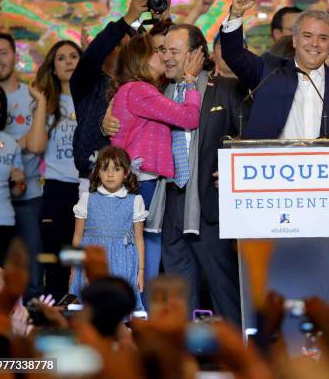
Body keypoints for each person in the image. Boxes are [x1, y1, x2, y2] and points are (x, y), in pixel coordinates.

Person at [104, 23, 247, 325]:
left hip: (212, 203)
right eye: (163, 50)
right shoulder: (157, 92)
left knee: (223, 285)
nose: (167, 57)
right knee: (179, 289)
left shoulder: (226, 89)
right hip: (168, 201)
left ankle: (238, 354)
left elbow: (248, 137)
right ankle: (182, 353)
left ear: (197, 54)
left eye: (174, 51)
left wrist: (237, 169)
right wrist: (108, 118)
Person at [109, 33, 201, 304]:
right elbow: (189, 117)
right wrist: (191, 81)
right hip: (139, 182)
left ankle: (139, 316)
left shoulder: (138, 90)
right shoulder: (139, 90)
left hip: (142, 182)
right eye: (158, 51)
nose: (164, 56)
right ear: (141, 59)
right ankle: (136, 317)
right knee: (136, 255)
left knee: (142, 253)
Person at [220, 0, 329, 139]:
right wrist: (236, 14)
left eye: (323, 38)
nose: (314, 44)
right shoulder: (269, 71)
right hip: (269, 162)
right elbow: (233, 54)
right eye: (307, 36)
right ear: (294, 40)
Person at [22, 40, 82, 300]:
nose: (69, 62)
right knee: (56, 259)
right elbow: (35, 146)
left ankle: (81, 311)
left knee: (80, 258)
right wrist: (42, 101)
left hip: (87, 189)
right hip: (57, 190)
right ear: (53, 68)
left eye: (74, 56)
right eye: (61, 58)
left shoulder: (94, 98)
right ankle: (54, 315)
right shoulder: (47, 105)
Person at [0, 31, 42, 297]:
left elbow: (37, 146)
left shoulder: (31, 96)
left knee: (18, 274)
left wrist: (16, 176)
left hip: (16, 208)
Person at [71, 0, 143, 189]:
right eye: (117, 45)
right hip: (93, 178)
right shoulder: (87, 83)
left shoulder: (139, 87)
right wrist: (128, 18)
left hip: (133, 178)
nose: (122, 51)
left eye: (128, 48)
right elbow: (95, 53)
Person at [70, 146, 146, 310]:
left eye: (116, 169)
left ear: (126, 173)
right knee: (90, 307)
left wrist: (141, 271)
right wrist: (73, 269)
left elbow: (139, 238)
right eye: (105, 169)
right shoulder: (87, 198)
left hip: (123, 262)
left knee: (118, 306)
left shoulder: (135, 200)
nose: (110, 174)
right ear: (98, 172)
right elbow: (77, 236)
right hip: (92, 260)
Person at [0, 79, 24, 266]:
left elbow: (18, 192)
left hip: (4, 224)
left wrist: (19, 183)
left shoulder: (9, 143)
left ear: (1, 105)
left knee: (1, 289)